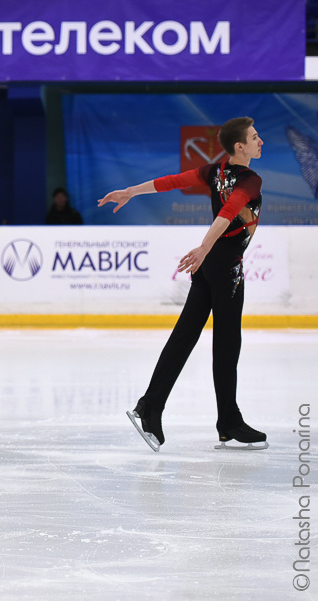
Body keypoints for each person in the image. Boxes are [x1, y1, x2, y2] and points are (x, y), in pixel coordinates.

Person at [98, 116, 267, 452]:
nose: (260, 141)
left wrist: (132, 191)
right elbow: (231, 210)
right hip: (225, 267)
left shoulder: (214, 171)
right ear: (240, 147)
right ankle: (229, 421)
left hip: (209, 266)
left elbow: (171, 181)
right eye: (255, 137)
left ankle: (150, 407)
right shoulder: (251, 180)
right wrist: (204, 248)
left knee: (184, 336)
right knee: (227, 343)